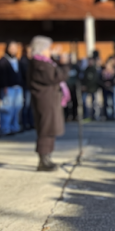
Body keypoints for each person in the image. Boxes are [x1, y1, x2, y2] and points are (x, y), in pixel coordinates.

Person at [27, 36, 70, 171]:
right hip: (45, 101)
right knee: (45, 129)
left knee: (50, 129)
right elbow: (55, 77)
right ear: (41, 49)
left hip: (49, 100)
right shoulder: (39, 64)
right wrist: (64, 64)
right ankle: (43, 161)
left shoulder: (45, 63)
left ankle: (48, 158)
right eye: (48, 48)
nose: (50, 51)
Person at [0, 41, 25, 135]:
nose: (13, 49)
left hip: (18, 88)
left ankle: (15, 127)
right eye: (11, 47)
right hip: (8, 88)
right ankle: (5, 128)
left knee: (17, 109)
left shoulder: (17, 60)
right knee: (7, 109)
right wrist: (4, 86)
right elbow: (1, 75)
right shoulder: (3, 61)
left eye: (15, 48)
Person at [82, 56, 101, 121]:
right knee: (84, 102)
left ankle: (94, 116)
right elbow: (83, 79)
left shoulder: (95, 70)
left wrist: (88, 86)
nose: (90, 62)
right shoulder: (86, 70)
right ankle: (86, 115)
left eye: (91, 61)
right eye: (88, 61)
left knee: (94, 103)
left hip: (93, 88)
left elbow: (95, 80)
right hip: (86, 89)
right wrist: (84, 86)